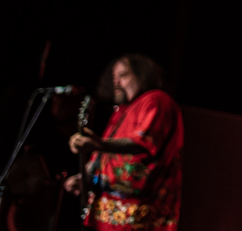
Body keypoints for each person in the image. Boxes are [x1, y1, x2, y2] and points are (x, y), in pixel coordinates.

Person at [63, 54, 183, 230]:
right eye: (114, 78)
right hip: (106, 215)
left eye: (124, 75)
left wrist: (100, 144)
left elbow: (142, 142)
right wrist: (85, 176)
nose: (117, 82)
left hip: (138, 216)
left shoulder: (156, 100)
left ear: (142, 75)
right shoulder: (121, 111)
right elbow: (102, 153)